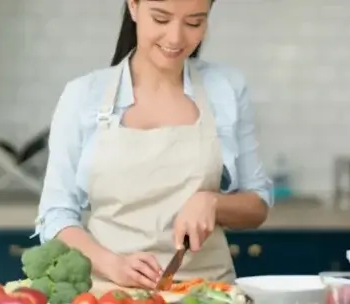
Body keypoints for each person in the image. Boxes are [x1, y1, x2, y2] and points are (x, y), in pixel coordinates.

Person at [33, 0, 273, 291]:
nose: (175, 38)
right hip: (111, 293)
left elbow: (257, 204)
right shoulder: (83, 96)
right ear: (133, 7)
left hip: (208, 293)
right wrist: (113, 265)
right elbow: (55, 216)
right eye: (161, 19)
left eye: (194, 22)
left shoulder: (226, 89)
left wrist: (214, 202)